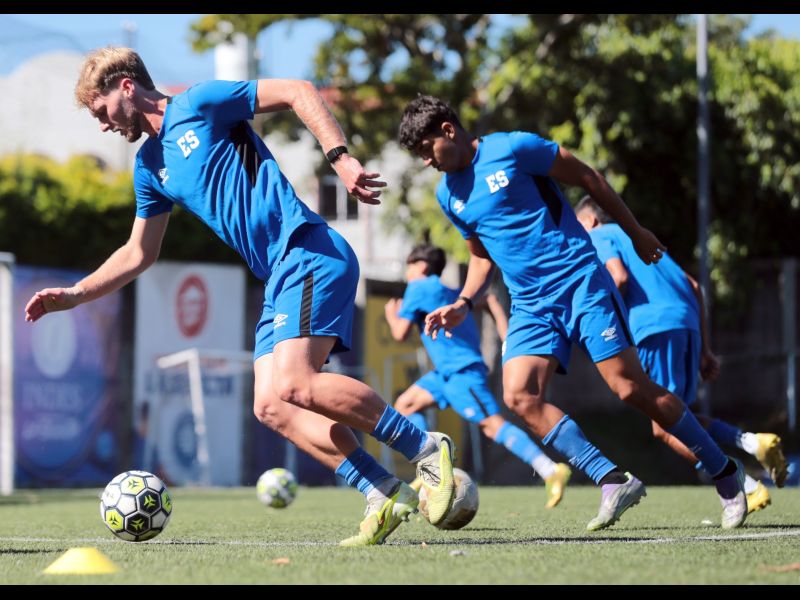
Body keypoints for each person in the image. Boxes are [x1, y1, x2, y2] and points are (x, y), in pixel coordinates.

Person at [23, 47, 456, 547]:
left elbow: (298, 91)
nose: (102, 126)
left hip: (308, 250)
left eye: (100, 112)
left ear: (125, 86)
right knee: (271, 405)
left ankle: (425, 447)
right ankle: (383, 489)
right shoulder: (148, 166)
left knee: (297, 381)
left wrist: (340, 159)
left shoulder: (199, 103)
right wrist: (76, 295)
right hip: (278, 275)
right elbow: (139, 252)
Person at [398, 94, 748, 530]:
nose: (427, 162)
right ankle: (612, 479)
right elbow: (481, 256)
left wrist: (636, 233)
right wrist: (463, 302)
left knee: (628, 388)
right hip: (529, 304)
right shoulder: (449, 195)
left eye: (426, 150)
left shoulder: (514, 148)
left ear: (448, 130)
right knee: (519, 396)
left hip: (579, 279)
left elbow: (589, 178)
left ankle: (725, 472)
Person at [575, 195, 788, 512]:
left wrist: (602, 323)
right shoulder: (638, 236)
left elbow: (617, 276)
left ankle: (744, 484)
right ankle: (751, 442)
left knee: (661, 426)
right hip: (685, 323)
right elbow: (694, 286)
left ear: (590, 220)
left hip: (654, 327)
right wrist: (704, 346)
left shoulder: (600, 236)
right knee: (679, 413)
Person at [384, 243, 572, 508]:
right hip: (444, 375)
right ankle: (433, 463)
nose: (407, 272)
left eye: (410, 266)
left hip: (463, 373)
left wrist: (392, 316)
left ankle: (550, 470)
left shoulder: (419, 287)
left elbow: (399, 333)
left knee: (493, 426)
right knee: (405, 404)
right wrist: (499, 318)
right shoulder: (452, 292)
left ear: (422, 267)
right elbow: (488, 300)